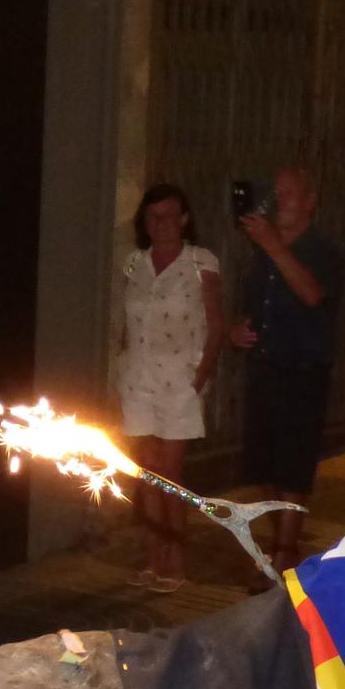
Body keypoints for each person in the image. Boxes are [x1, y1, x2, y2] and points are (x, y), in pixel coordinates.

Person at [231, 167, 345, 579]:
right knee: (262, 467)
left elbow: (313, 294)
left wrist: (274, 245)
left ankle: (282, 557)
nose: (279, 201)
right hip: (264, 366)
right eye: (275, 193)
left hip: (303, 370)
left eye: (289, 193)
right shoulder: (264, 251)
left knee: (293, 467)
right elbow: (253, 306)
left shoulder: (322, 251)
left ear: (310, 202)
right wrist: (237, 329)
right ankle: (288, 545)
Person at [119, 183, 223, 592]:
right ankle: (152, 555)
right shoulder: (134, 264)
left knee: (171, 472)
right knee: (145, 471)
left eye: (168, 216)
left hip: (180, 379)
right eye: (152, 217)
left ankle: (176, 557)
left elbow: (216, 323)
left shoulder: (200, 262)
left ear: (183, 219)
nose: (160, 224)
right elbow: (125, 325)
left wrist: (202, 376)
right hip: (138, 377)